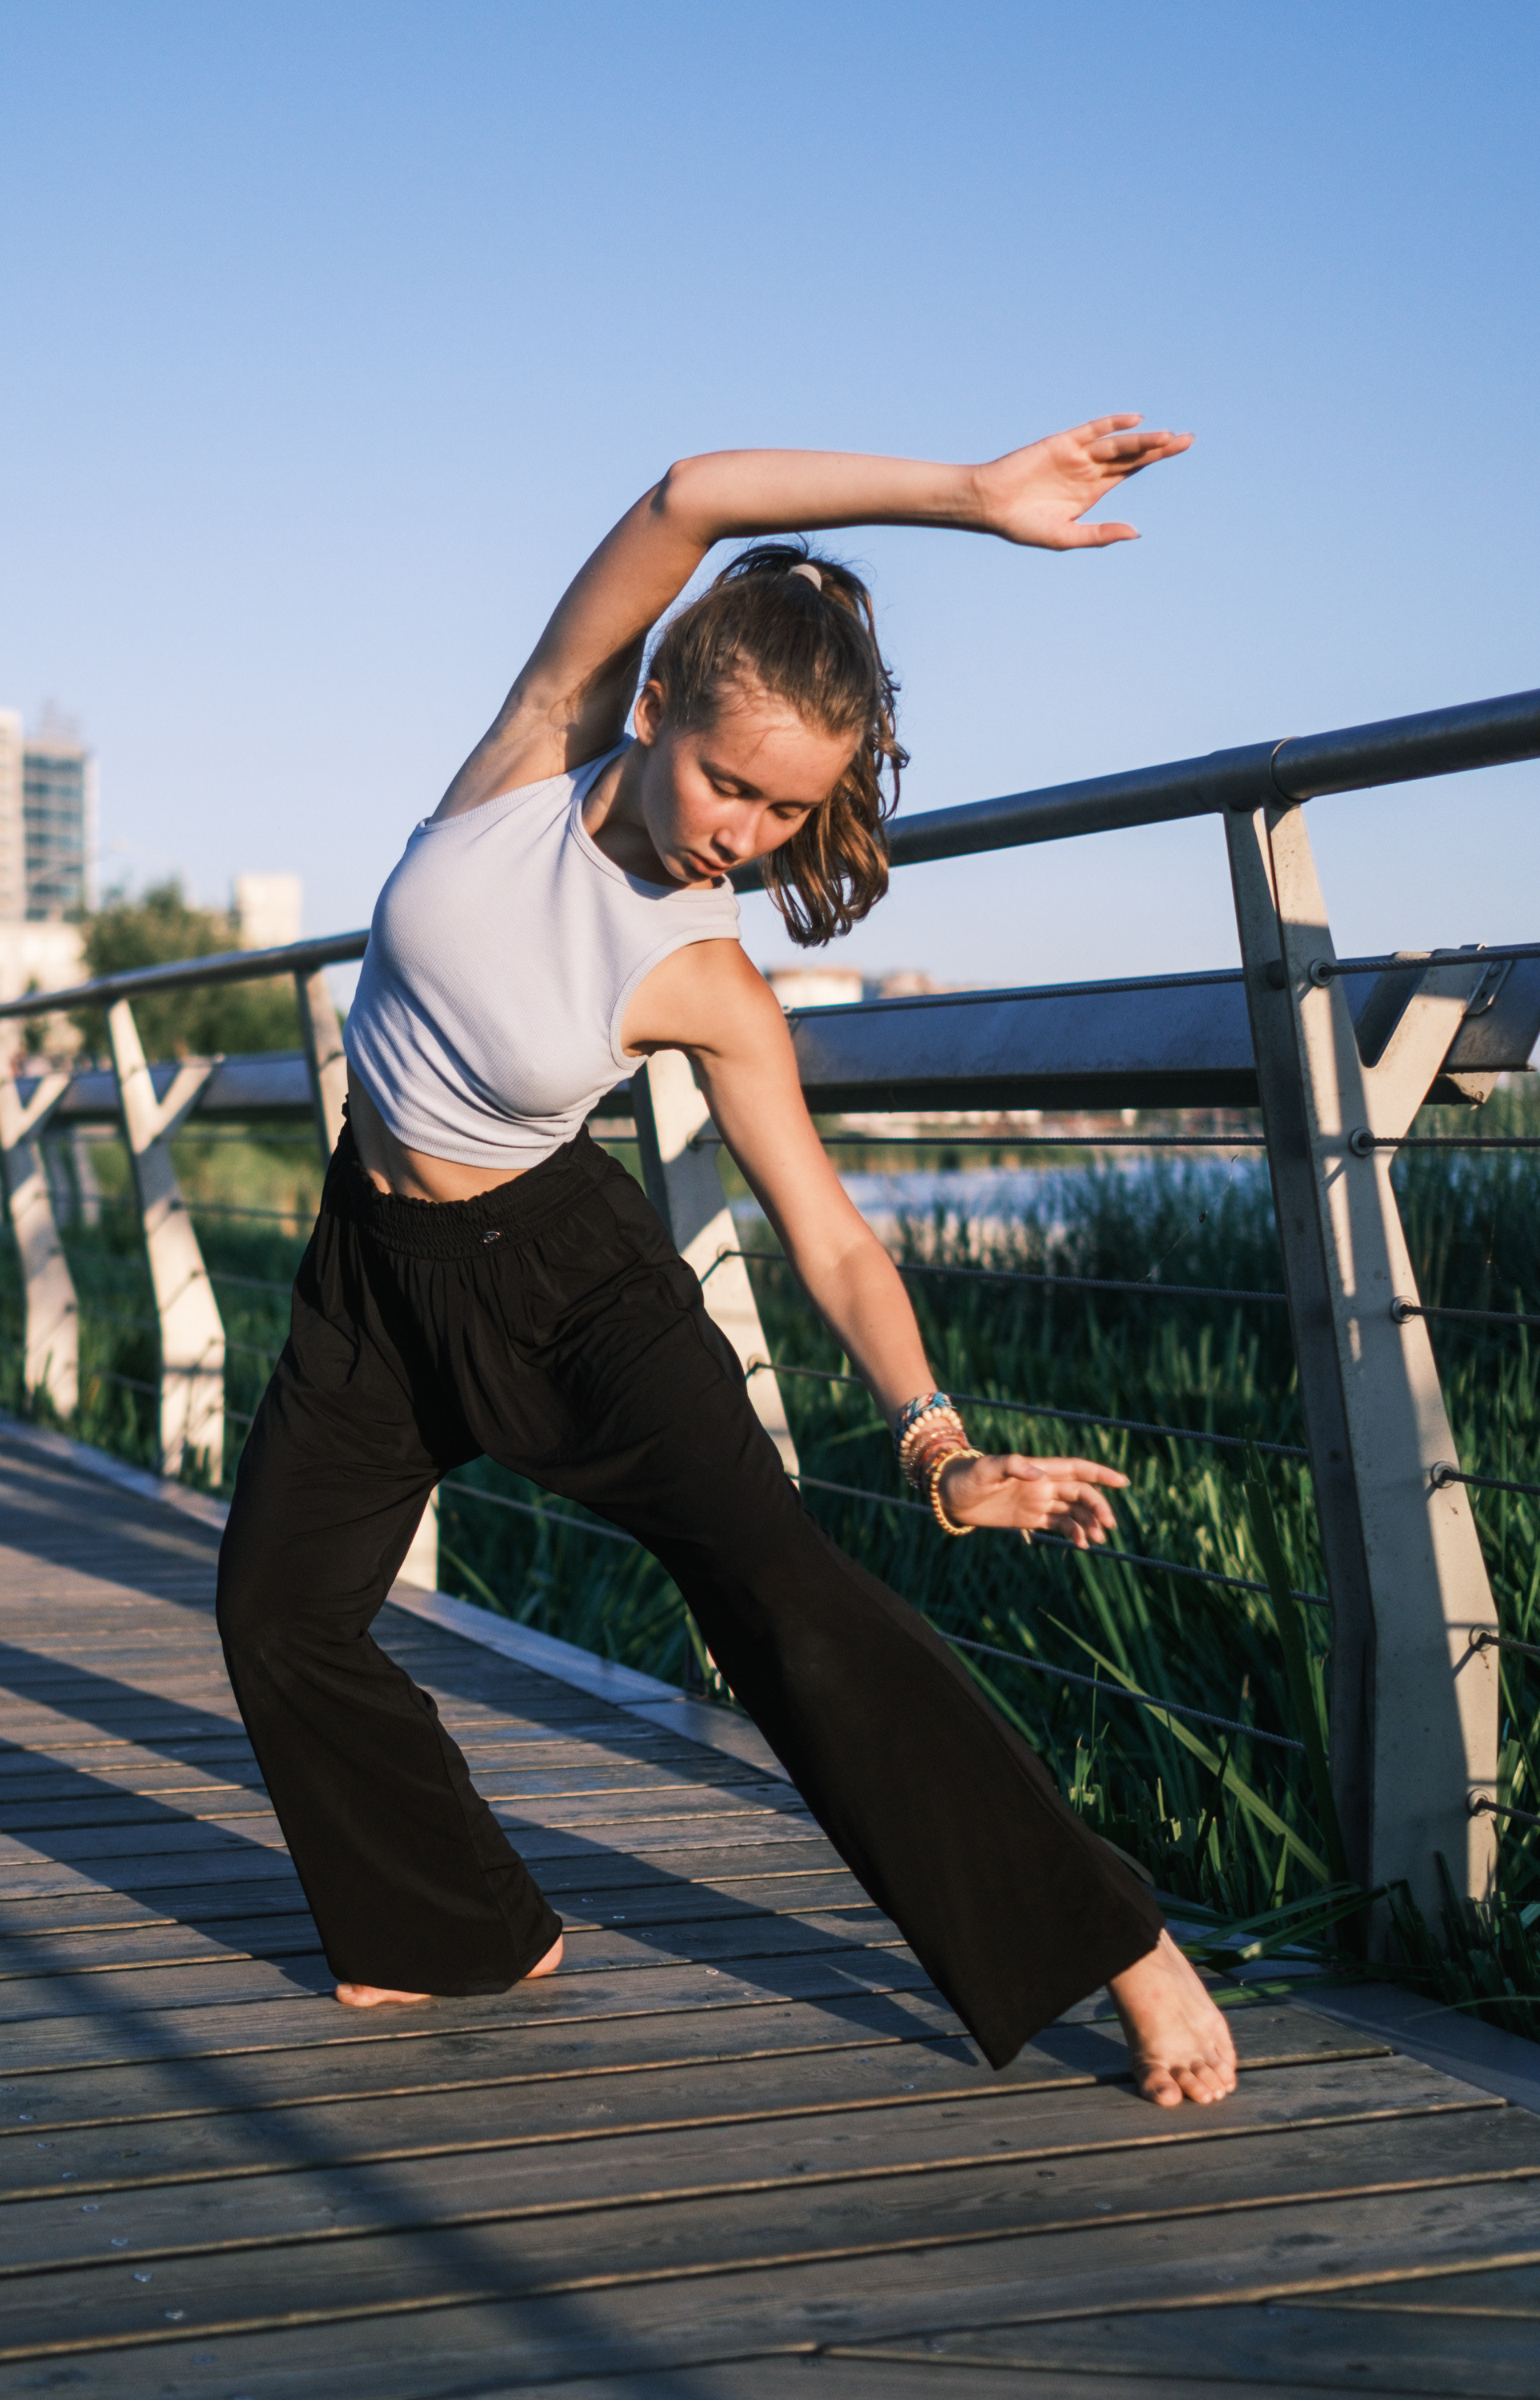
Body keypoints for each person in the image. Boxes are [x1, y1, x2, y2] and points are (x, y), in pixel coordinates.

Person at [215, 415, 1238, 2109]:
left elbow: (830, 1236)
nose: (746, 834)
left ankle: (1116, 1939)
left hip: (566, 1289)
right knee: (277, 1616)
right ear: (652, 704)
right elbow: (690, 495)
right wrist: (973, 502)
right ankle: (469, 1928)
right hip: (370, 1271)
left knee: (788, 1608)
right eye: (729, 781)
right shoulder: (528, 753)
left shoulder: (706, 977)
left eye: (789, 809)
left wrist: (942, 1445)